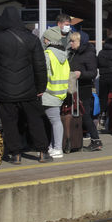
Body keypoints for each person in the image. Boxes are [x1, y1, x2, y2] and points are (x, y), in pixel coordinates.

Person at [0, 4, 50, 164]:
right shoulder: (32, 39)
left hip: (5, 90)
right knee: (35, 120)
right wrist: (41, 87)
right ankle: (42, 152)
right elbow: (40, 66)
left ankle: (15, 154)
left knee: (9, 122)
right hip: (29, 89)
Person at [67, 30, 102, 151]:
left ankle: (95, 139)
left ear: (80, 41)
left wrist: (80, 74)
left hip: (83, 87)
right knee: (74, 113)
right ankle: (75, 139)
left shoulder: (89, 54)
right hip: (73, 87)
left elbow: (93, 73)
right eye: (70, 41)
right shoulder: (72, 53)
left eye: (73, 41)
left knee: (85, 114)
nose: (71, 43)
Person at [41, 28, 72, 158]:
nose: (43, 40)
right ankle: (53, 146)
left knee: (54, 121)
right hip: (60, 92)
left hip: (49, 92)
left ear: (48, 40)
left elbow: (43, 73)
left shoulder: (48, 54)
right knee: (55, 121)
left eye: (45, 38)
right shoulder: (63, 55)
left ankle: (57, 148)